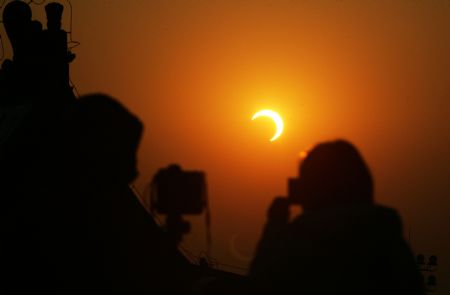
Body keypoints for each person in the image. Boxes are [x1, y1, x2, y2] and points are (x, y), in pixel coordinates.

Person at [249, 140, 425, 295]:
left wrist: (274, 226)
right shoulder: (388, 240)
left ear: (313, 186)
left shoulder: (302, 240)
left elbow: (262, 285)